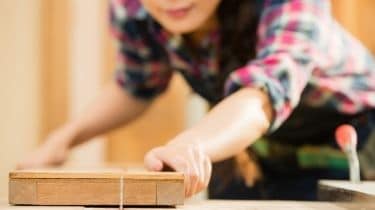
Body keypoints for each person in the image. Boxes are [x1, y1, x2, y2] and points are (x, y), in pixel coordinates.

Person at [18, 0, 375, 200]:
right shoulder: (133, 8)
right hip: (248, 148)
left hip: (351, 141)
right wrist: (62, 139)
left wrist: (191, 144)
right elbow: (136, 84)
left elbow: (264, 94)